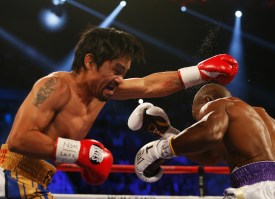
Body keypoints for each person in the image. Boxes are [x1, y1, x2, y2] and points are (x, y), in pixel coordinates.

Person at [0, 25, 238, 198]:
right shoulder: (55, 86)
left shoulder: (103, 89)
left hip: (35, 181)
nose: (119, 79)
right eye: (115, 70)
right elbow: (20, 139)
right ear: (90, 62)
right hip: (12, 176)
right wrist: (79, 152)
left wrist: (201, 72)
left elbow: (149, 85)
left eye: (123, 72)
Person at [129, 83, 275, 198]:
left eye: (198, 117)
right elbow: (209, 156)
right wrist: (168, 134)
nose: (199, 121)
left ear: (207, 100)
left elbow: (209, 133)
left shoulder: (220, 104)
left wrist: (160, 149)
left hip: (258, 189)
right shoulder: (261, 117)